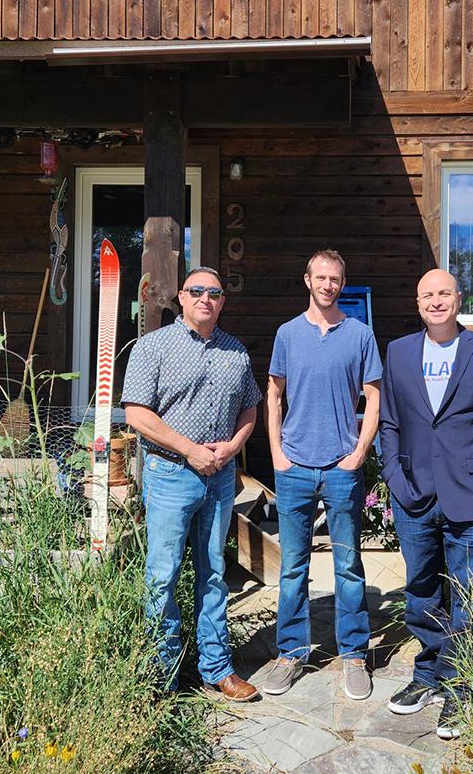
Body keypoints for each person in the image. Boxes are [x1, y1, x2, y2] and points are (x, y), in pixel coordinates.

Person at [378, 268, 473, 738]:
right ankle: (428, 674)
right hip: (414, 493)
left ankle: (460, 686)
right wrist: (395, 476)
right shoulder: (398, 353)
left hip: (471, 493)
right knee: (421, 587)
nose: (435, 301)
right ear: (417, 303)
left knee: (468, 591)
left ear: (459, 298)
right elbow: (391, 421)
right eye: (426, 295)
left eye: (444, 293)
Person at [121, 266, 262, 702]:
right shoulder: (153, 347)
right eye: (197, 290)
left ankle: (216, 668)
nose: (206, 298)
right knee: (162, 576)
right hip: (170, 475)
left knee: (214, 574)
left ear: (222, 302)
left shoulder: (235, 352)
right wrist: (190, 450)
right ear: (181, 297)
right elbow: (137, 415)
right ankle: (161, 674)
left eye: (214, 293)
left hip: (219, 478)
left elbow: (250, 409)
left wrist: (233, 446)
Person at [261, 249, 382, 701]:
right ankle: (292, 653)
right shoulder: (288, 334)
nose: (328, 284)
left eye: (336, 279)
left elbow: (373, 398)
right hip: (293, 467)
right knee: (293, 567)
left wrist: (359, 453)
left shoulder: (360, 335)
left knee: (348, 565)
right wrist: (277, 454)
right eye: (321, 277)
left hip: (340, 466)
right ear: (307, 279)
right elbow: (273, 396)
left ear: (342, 284)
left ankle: (353, 655)